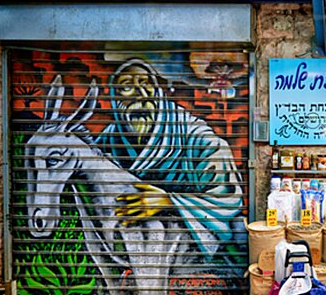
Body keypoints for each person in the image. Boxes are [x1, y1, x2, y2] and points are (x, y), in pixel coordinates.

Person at [94, 60, 244, 264]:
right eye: (128, 87)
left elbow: (228, 199)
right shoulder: (108, 141)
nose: (142, 96)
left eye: (147, 86)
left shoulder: (199, 140)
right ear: (114, 98)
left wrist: (168, 201)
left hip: (193, 258)